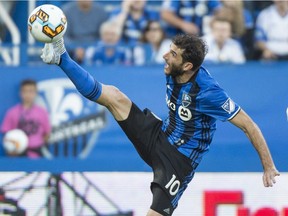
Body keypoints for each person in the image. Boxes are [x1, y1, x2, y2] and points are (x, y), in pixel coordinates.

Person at [41, 34, 279, 215]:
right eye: (169, 50)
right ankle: (62, 57)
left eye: (173, 54)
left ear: (187, 66)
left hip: (178, 161)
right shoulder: (173, 69)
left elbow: (249, 125)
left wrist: (268, 166)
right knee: (114, 96)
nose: (166, 56)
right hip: (159, 134)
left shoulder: (208, 92)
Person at [1, 79, 51, 158]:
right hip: (17, 154)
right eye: (25, 91)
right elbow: (6, 134)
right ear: (20, 93)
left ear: (35, 93)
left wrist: (38, 143)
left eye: (31, 91)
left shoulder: (42, 112)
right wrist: (11, 148)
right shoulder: (12, 112)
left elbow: (47, 134)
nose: (28, 94)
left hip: (36, 153)